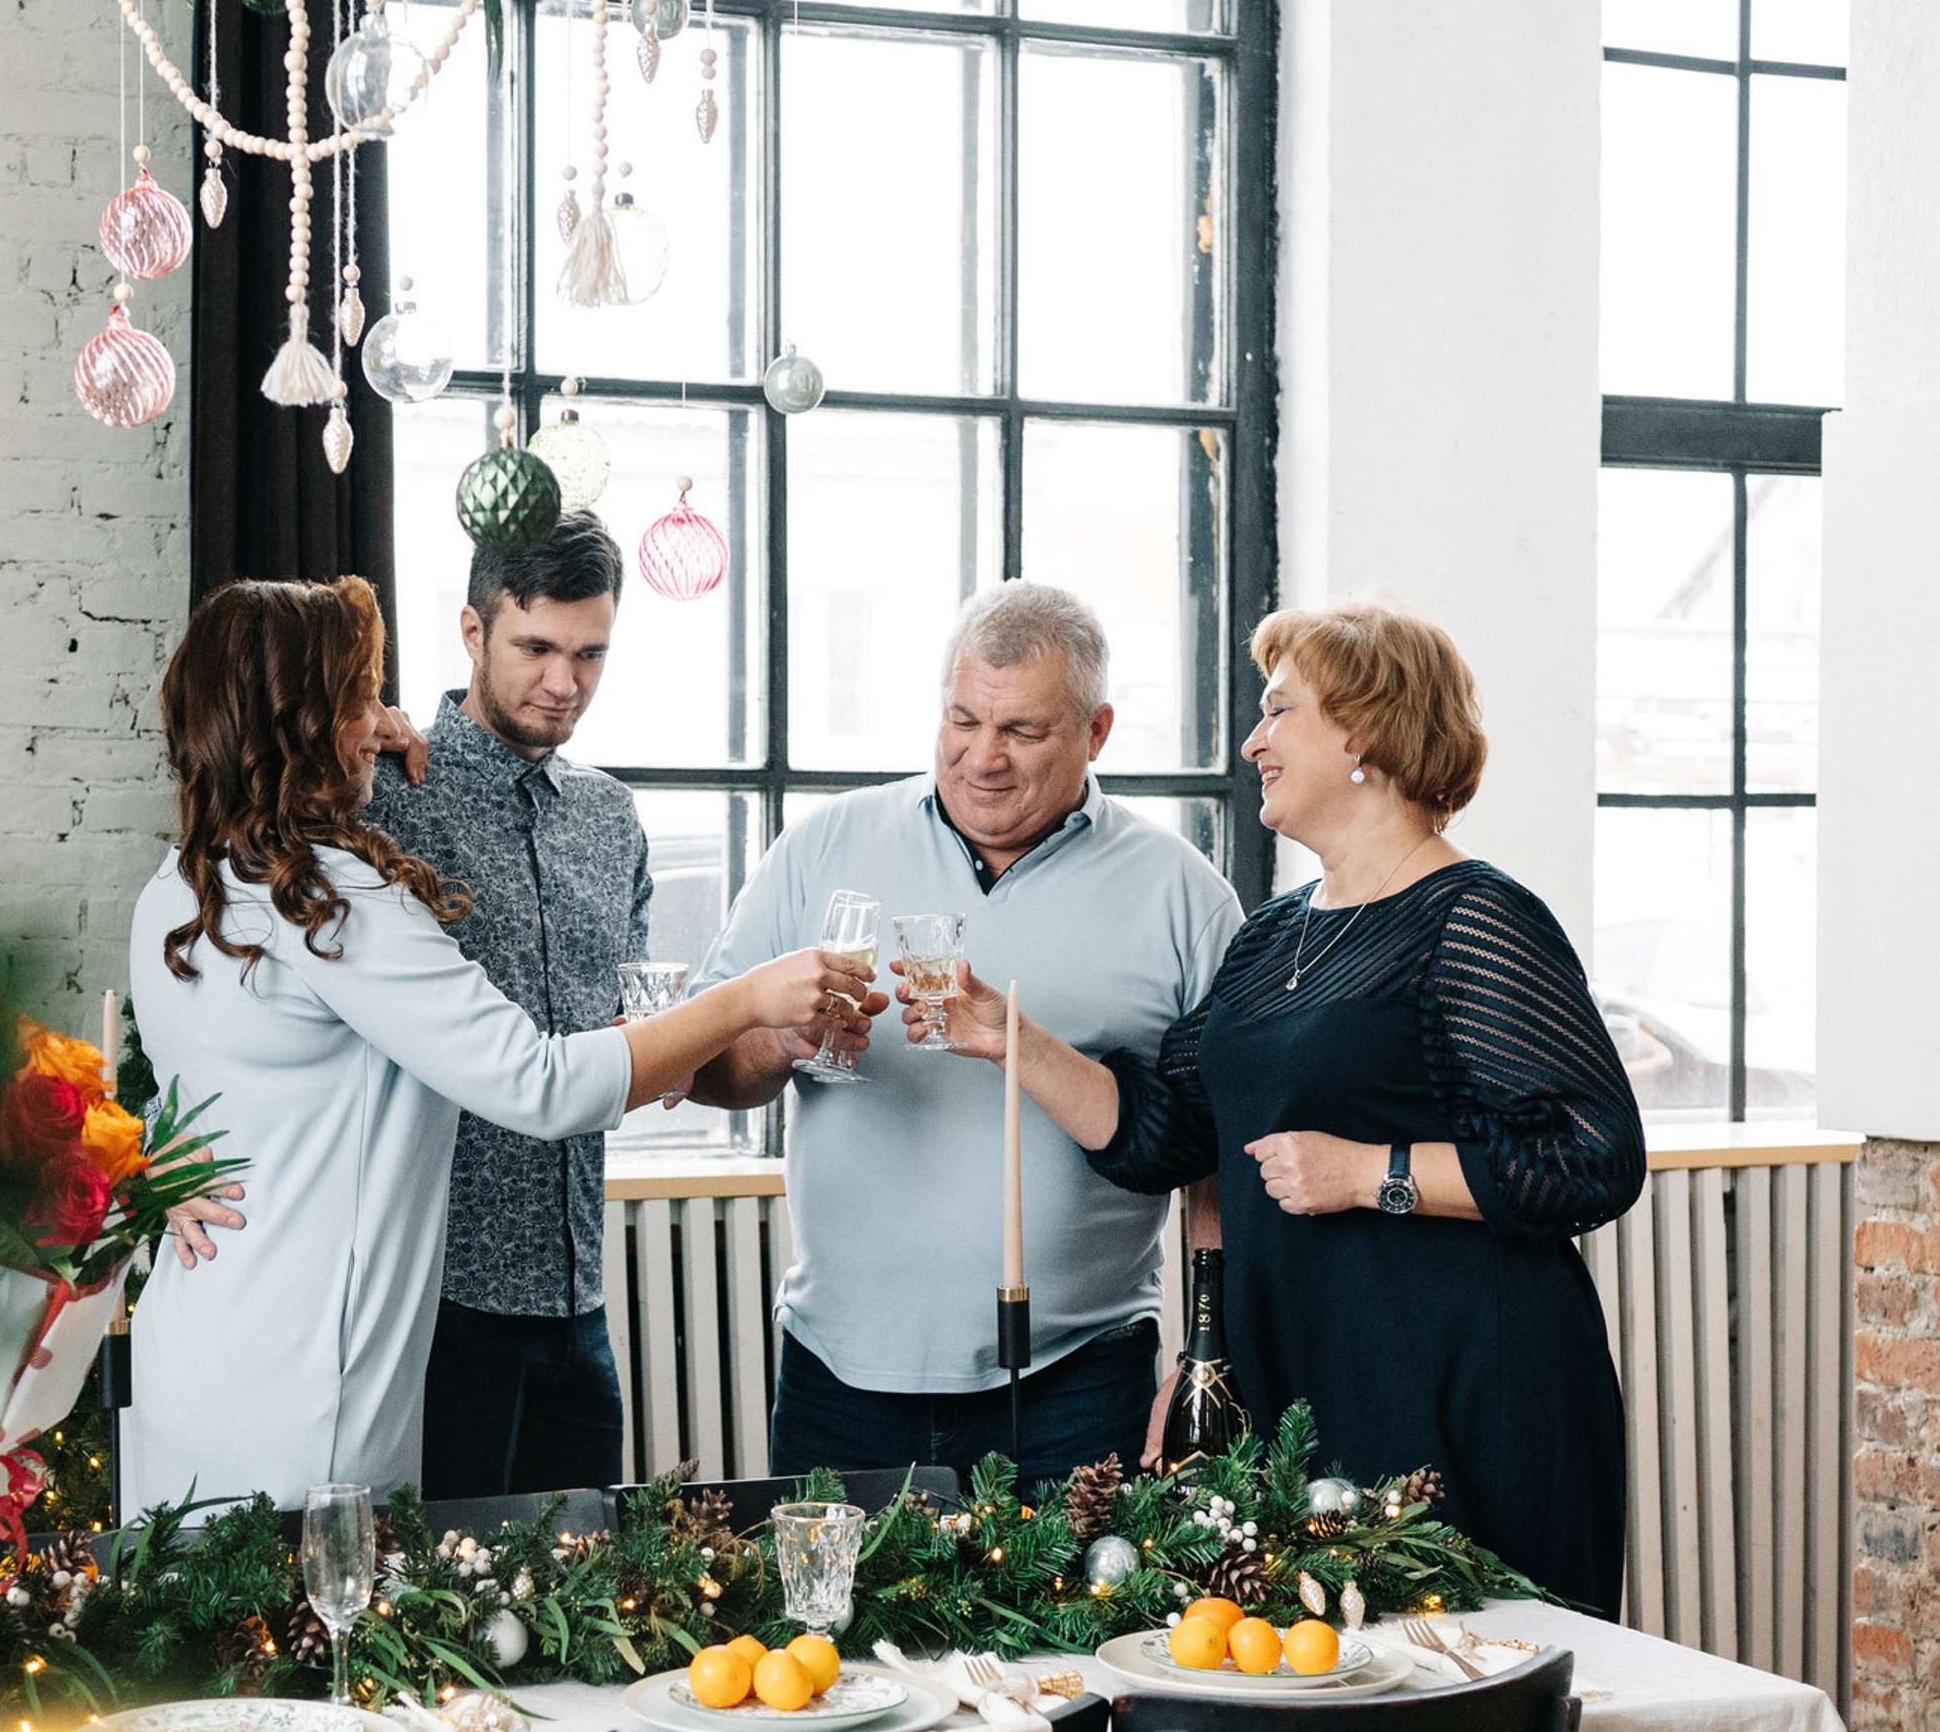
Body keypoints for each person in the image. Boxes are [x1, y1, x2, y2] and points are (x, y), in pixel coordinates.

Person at [908, 600, 1644, 1618]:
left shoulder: (1476, 916)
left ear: (1364, 734)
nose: (1253, 739)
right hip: (1305, 1384)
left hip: (1463, 1386)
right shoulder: (1271, 935)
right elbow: (1171, 1131)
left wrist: (1367, 1172)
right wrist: (1010, 1039)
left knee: (1470, 1703)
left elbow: (1588, 1154)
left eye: (1277, 709)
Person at [126, 575, 870, 1512]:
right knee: (333, 1634)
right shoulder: (333, 897)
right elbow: (544, 1082)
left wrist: (149, 1159)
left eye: (590, 653)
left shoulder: (178, 888)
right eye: (356, 697)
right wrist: (749, 995)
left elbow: (188, 1090)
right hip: (313, 1374)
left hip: (197, 1340)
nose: (564, 679)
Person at [686, 581, 1243, 1494]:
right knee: (830, 1638)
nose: (983, 756)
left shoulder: (1184, 896)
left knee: (1075, 1639)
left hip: (1080, 1376)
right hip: (842, 1373)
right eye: (961, 720)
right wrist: (780, 1039)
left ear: (1096, 733)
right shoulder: (822, 847)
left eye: (1022, 731)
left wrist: (1212, 1348)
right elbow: (708, 1066)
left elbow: (1215, 1149)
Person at [359, 512, 648, 1503]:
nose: (563, 682)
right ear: (474, 633)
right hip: (436, 1308)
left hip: (581, 1305)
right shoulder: (383, 795)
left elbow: (629, 1036)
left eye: (589, 653)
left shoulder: (614, 819)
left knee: (597, 1609)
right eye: (535, 647)